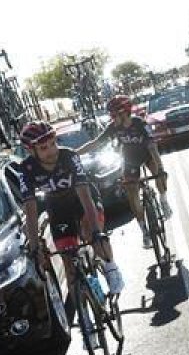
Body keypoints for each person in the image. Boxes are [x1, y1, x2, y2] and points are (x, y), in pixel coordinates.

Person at [14, 121, 125, 296]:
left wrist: (96, 232)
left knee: (91, 234)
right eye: (44, 148)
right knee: (67, 258)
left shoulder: (69, 156)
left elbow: (84, 196)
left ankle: (111, 268)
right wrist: (34, 248)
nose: (52, 151)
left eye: (53, 143)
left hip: (81, 200)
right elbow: (30, 208)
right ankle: (85, 317)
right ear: (31, 151)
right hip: (58, 207)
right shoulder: (26, 169)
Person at [104, 94, 170, 249]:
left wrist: (160, 169)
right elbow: (95, 143)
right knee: (132, 194)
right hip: (130, 159)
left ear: (124, 112)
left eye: (114, 114)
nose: (112, 118)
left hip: (147, 154)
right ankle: (145, 232)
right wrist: (73, 153)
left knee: (159, 173)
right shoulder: (113, 127)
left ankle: (163, 200)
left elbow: (152, 147)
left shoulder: (139, 123)